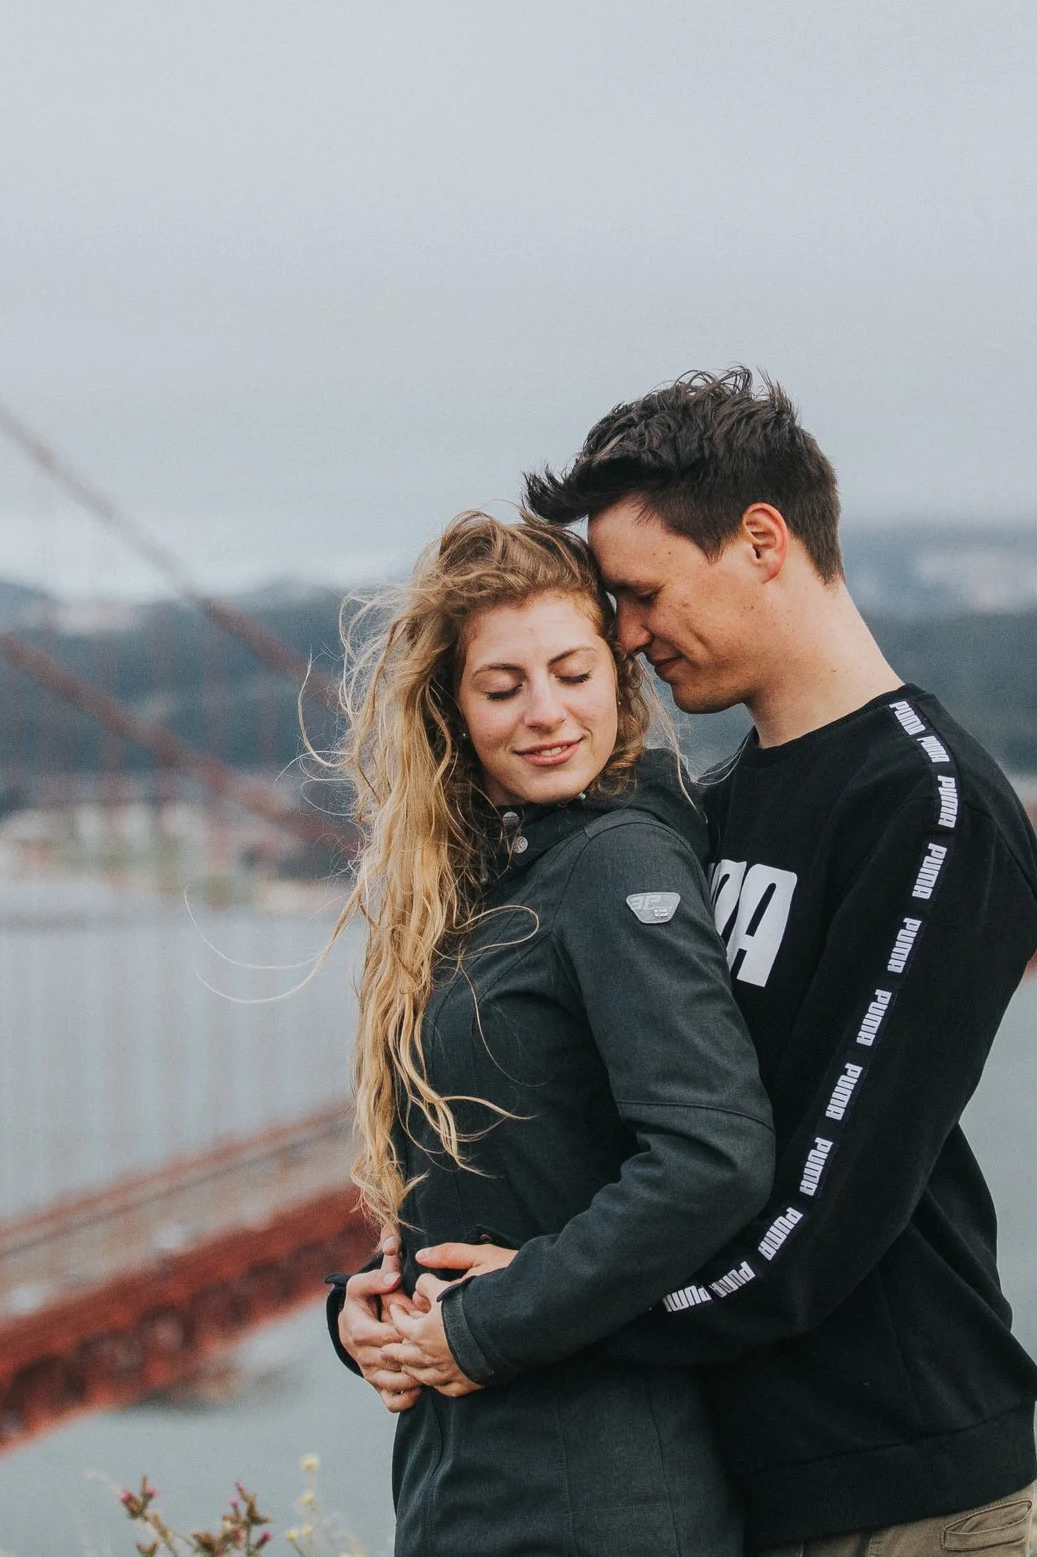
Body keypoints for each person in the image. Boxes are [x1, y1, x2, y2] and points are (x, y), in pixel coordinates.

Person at [385, 370, 1037, 1557]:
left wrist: (511, 1320)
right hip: (740, 1473)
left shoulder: (931, 809)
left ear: (759, 539)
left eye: (639, 596)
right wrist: (396, 1298)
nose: (627, 636)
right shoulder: (716, 806)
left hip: (900, 1477)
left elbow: (813, 1222)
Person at [323, 509, 777, 1557]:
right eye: (502, 686)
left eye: (573, 672)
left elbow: (712, 1155)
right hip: (474, 1478)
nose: (546, 713)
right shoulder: (483, 882)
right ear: (451, 706)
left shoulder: (617, 863)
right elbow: (506, 1175)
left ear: (620, 677)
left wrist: (485, 1323)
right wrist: (366, 1310)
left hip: (593, 1492)